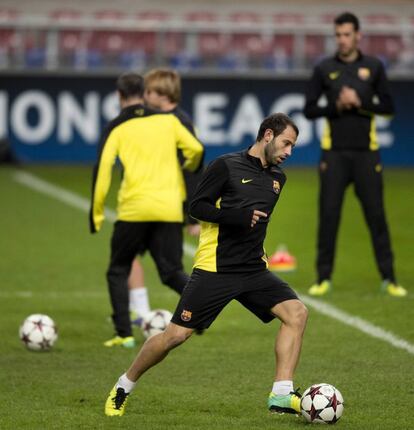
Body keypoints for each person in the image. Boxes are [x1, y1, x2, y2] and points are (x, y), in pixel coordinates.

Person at [104, 113, 308, 417]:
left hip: (253, 269)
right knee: (175, 335)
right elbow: (196, 206)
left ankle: (280, 394)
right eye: (286, 143)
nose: (289, 151)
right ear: (267, 135)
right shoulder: (225, 165)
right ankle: (124, 384)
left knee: (296, 313)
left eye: (292, 146)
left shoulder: (278, 179)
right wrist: (236, 216)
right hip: (216, 269)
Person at [89, 72, 204, 348]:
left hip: (134, 209)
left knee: (118, 268)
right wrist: (189, 166)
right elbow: (196, 149)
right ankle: (198, 316)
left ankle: (124, 334)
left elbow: (103, 170)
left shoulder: (118, 127)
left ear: (119, 96)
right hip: (168, 208)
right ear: (144, 92)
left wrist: (97, 213)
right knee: (172, 271)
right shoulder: (169, 121)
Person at [304, 12, 407, 297]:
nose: (342, 39)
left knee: (377, 216)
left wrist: (360, 103)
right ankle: (323, 277)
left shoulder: (373, 67)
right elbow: (309, 109)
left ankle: (390, 278)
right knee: (329, 217)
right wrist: (336, 106)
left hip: (367, 155)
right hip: (333, 154)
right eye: (338, 35)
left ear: (358, 36)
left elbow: (387, 106)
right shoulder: (324, 68)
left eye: (347, 34)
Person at [127, 68, 203, 325]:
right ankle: (141, 313)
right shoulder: (152, 118)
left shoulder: (179, 122)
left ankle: (199, 308)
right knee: (127, 257)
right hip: (147, 201)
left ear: (162, 93)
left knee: (170, 272)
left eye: (148, 91)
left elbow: (193, 168)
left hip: (169, 204)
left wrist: (193, 215)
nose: (144, 96)